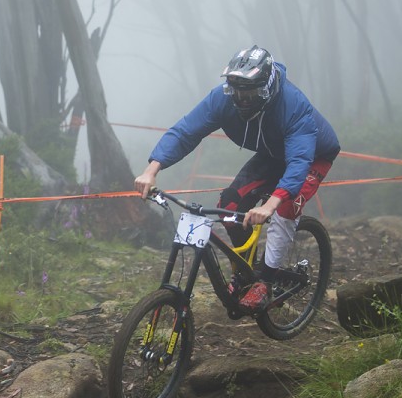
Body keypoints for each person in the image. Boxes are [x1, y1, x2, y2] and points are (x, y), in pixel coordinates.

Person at [134, 45, 340, 313]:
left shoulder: (293, 105)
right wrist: (152, 170)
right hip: (273, 153)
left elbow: (299, 162)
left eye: (251, 91)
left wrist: (270, 205)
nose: (242, 98)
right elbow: (186, 131)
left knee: (286, 209)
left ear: (266, 87)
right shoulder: (221, 99)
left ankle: (265, 281)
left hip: (313, 156)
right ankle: (246, 271)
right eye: (237, 90)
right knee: (230, 205)